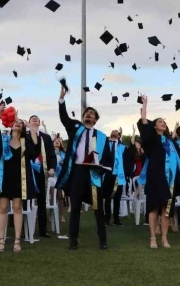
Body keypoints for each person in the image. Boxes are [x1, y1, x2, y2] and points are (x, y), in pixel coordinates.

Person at [56, 83, 113, 251]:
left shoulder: (102, 137)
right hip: (78, 171)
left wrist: (102, 167)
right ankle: (73, 240)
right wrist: (61, 99)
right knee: (75, 207)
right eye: (87, 113)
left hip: (94, 172)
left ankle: (102, 240)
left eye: (92, 114)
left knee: (98, 208)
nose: (89, 115)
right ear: (83, 117)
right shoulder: (75, 127)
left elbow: (108, 159)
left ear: (95, 120)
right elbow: (63, 117)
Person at [138, 95, 180, 249]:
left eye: (164, 122)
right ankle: (153, 237)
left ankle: (165, 238)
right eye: (160, 122)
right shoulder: (151, 140)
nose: (163, 123)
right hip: (155, 178)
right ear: (155, 127)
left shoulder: (170, 143)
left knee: (166, 211)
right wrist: (145, 105)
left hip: (169, 180)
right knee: (154, 209)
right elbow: (144, 123)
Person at [0, 106, 39, 252]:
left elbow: (36, 150)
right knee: (3, 208)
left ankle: (17, 241)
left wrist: (31, 127)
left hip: (20, 180)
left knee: (18, 208)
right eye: (15, 122)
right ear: (11, 125)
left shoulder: (26, 142)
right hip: (4, 179)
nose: (17, 123)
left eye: (20, 122)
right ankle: (2, 241)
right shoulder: (4, 140)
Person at [27, 115, 56, 238]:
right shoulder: (24, 135)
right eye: (32, 118)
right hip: (28, 173)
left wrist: (52, 168)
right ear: (28, 123)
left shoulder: (46, 137)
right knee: (26, 201)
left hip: (41, 173)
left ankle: (43, 230)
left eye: (36, 119)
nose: (34, 119)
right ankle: (25, 230)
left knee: (41, 202)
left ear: (39, 123)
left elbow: (52, 155)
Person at [103, 128, 126, 227]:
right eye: (114, 131)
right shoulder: (106, 144)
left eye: (117, 132)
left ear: (119, 135)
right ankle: (107, 219)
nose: (115, 132)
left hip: (119, 174)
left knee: (117, 198)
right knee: (107, 198)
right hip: (108, 174)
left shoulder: (122, 147)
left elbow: (126, 160)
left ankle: (116, 219)